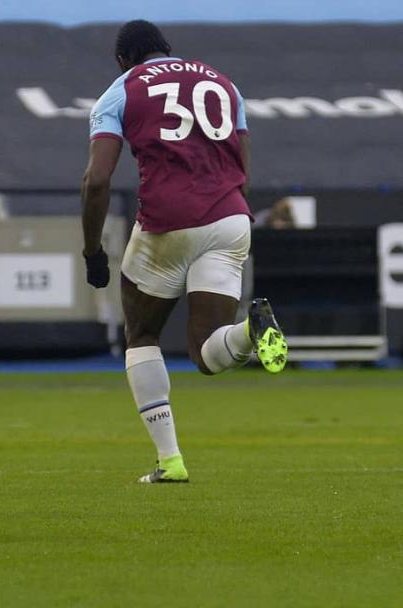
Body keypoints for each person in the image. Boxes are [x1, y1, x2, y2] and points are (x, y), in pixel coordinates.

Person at [79, 20, 288, 483]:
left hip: (168, 222)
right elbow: (243, 169)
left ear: (123, 59)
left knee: (141, 334)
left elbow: (97, 181)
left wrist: (93, 251)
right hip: (231, 218)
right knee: (208, 353)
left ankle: (170, 461)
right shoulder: (224, 83)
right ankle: (249, 335)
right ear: (167, 49)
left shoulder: (121, 90)